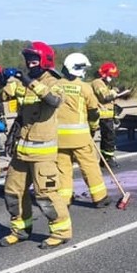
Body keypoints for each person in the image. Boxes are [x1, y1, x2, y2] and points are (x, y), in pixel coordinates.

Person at [0, 41, 72, 249]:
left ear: (45, 61)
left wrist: (28, 81)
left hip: (43, 154)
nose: (30, 64)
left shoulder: (55, 83)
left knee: (46, 195)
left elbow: (53, 101)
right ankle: (20, 229)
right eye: (27, 60)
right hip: (21, 151)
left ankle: (61, 232)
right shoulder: (21, 82)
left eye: (34, 60)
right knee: (13, 192)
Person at [57, 53, 111, 208]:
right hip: (80, 137)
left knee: (63, 169)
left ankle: (64, 200)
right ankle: (99, 197)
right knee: (89, 167)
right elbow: (93, 111)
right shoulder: (84, 88)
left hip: (59, 138)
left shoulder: (55, 86)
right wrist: (94, 128)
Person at [90, 61, 128, 167]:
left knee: (108, 138)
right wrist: (115, 93)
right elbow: (105, 97)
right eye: (110, 75)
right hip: (100, 116)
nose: (111, 78)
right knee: (107, 138)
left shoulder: (104, 84)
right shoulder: (97, 82)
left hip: (107, 116)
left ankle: (106, 160)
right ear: (104, 74)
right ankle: (106, 160)